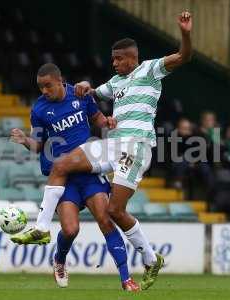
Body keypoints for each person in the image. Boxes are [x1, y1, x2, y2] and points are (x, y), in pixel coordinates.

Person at [12, 11, 193, 290]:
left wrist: (185, 33)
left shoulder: (149, 69)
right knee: (61, 164)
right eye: (113, 59)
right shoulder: (116, 83)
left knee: (115, 211)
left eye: (119, 59)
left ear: (132, 58)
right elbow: (93, 92)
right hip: (113, 145)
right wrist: (86, 87)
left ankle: (148, 257)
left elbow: (182, 57)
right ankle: (41, 228)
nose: (115, 63)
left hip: (137, 146)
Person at [11, 63, 139, 291]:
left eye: (47, 86)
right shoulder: (39, 110)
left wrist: (109, 123)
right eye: (40, 87)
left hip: (89, 171)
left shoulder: (80, 95)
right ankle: (60, 260)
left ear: (60, 81)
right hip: (63, 178)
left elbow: (99, 121)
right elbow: (39, 145)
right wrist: (25, 141)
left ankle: (126, 278)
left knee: (106, 220)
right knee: (71, 230)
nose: (44, 91)